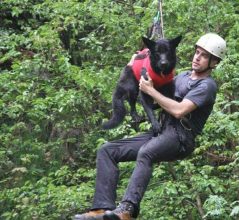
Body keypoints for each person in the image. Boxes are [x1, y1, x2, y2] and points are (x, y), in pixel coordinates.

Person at [74, 33, 226, 220]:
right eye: (197, 52)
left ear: (214, 62)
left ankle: (127, 210)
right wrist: (135, 68)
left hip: (180, 137)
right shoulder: (181, 76)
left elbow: (179, 110)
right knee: (107, 150)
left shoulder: (207, 85)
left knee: (146, 152)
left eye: (204, 55)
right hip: (161, 131)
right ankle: (101, 208)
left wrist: (151, 90)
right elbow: (154, 95)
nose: (197, 57)